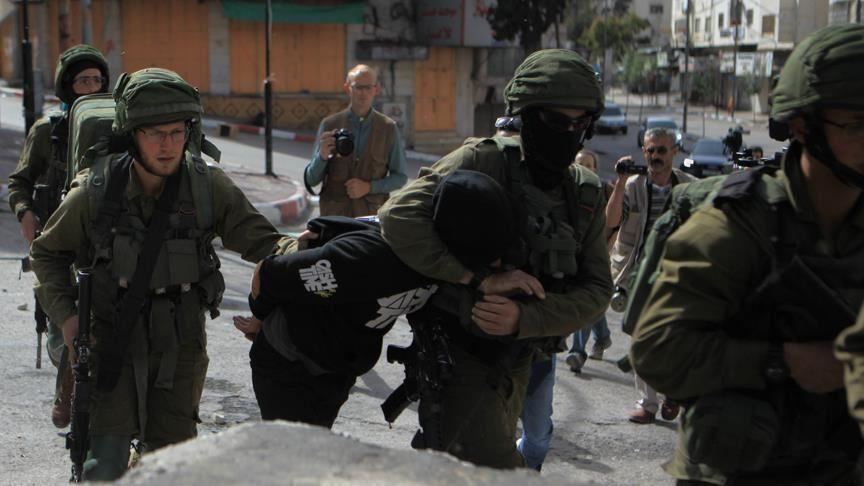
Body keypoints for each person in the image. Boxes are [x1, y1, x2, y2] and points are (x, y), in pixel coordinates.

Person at [30, 67, 293, 481]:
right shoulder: (94, 192)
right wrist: (66, 317)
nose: (168, 145)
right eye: (155, 133)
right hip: (110, 335)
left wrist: (314, 251)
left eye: (176, 132)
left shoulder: (207, 188)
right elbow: (47, 253)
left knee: (172, 468)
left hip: (180, 339)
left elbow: (266, 243)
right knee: (105, 467)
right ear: (133, 135)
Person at [632, 24, 864, 485]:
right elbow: (657, 351)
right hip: (735, 469)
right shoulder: (736, 226)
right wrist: (782, 361)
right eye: (858, 125)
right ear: (802, 127)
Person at [378, 48, 612, 469]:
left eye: (580, 124)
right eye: (556, 122)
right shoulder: (483, 160)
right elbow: (397, 216)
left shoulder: (586, 192)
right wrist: (476, 278)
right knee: (493, 470)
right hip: (460, 349)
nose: (569, 133)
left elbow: (597, 291)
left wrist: (526, 319)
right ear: (525, 116)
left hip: (525, 356)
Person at [233, 170, 521, 429]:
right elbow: (270, 273)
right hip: (291, 363)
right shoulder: (371, 259)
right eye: (486, 256)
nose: (494, 265)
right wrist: (259, 319)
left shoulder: (442, 260)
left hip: (337, 365)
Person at [8, 44, 110, 429]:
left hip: (99, 242)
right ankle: (67, 380)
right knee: (61, 335)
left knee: (94, 324)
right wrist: (25, 213)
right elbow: (19, 183)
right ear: (67, 85)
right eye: (83, 80)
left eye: (97, 80)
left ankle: (75, 400)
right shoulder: (49, 129)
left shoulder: (114, 126)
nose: (91, 87)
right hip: (55, 243)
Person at [607, 128, 695, 424]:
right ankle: (648, 403)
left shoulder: (688, 187)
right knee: (640, 338)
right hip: (638, 273)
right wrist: (619, 182)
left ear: (674, 152)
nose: (655, 156)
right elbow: (612, 221)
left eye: (661, 150)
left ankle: (673, 393)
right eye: (650, 151)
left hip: (675, 274)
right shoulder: (633, 186)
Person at [304, 64, 407, 217]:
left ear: (376, 90)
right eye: (358, 87)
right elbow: (311, 180)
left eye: (368, 88)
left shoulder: (388, 128)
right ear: (347, 88)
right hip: (335, 217)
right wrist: (322, 156)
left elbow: (400, 177)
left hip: (371, 218)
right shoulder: (330, 125)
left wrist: (369, 187)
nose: (363, 93)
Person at [565, 149, 613, 374]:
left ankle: (577, 351)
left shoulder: (604, 191)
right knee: (592, 302)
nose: (584, 168)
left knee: (585, 298)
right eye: (579, 163)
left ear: (596, 169)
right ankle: (602, 337)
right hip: (572, 256)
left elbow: (615, 225)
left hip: (598, 255)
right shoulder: (565, 191)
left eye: (588, 165)